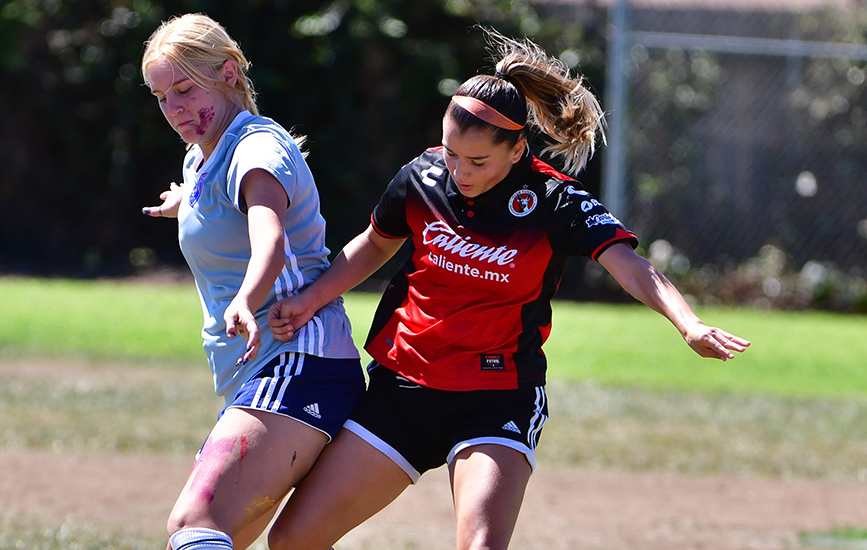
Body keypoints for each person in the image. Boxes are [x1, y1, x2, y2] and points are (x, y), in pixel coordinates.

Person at [265, 30, 750, 550]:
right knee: (293, 540)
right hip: (403, 388)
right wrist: (309, 300)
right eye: (452, 153)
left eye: (478, 162)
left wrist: (688, 323)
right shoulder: (422, 178)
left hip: (495, 400)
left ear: (518, 149)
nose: (459, 171)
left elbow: (631, 267)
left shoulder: (554, 201)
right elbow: (374, 244)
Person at [139, 13, 365, 550]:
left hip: (299, 362)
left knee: (196, 522)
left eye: (185, 89)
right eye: (161, 97)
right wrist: (185, 203)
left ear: (229, 72)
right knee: (229, 538)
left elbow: (270, 238)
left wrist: (246, 299)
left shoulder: (255, 148)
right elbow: (219, 199)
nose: (174, 109)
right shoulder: (203, 156)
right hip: (266, 371)